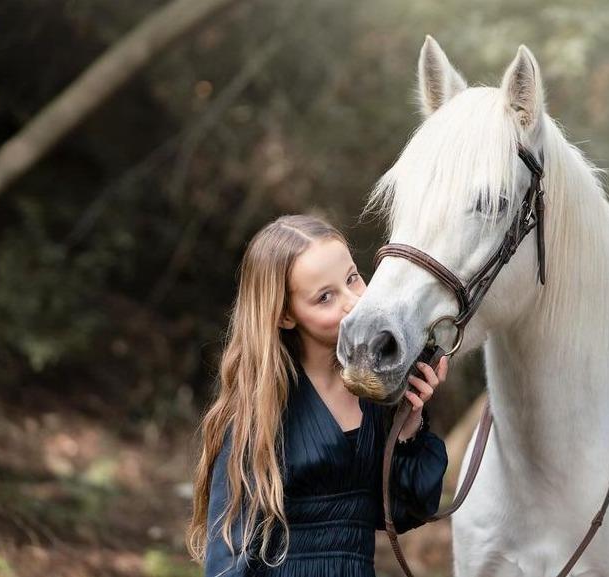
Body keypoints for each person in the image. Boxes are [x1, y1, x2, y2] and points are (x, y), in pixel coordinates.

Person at [186, 214, 449, 577]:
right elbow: (228, 555)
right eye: (325, 297)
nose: (352, 301)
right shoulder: (259, 411)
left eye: (352, 279)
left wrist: (408, 428)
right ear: (284, 316)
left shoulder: (375, 397)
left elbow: (402, 514)